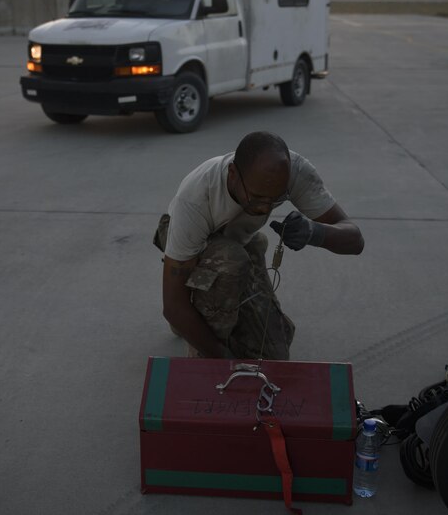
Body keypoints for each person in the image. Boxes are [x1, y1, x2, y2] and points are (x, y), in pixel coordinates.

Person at [154, 131, 364, 360]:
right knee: (230, 261)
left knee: (274, 357)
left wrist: (315, 233)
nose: (265, 208)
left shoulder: (294, 173)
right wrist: (224, 361)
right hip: (183, 237)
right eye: (256, 197)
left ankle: (204, 318)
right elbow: (173, 307)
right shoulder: (196, 198)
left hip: (239, 239)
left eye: (274, 199)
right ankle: (199, 340)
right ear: (232, 174)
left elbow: (355, 240)